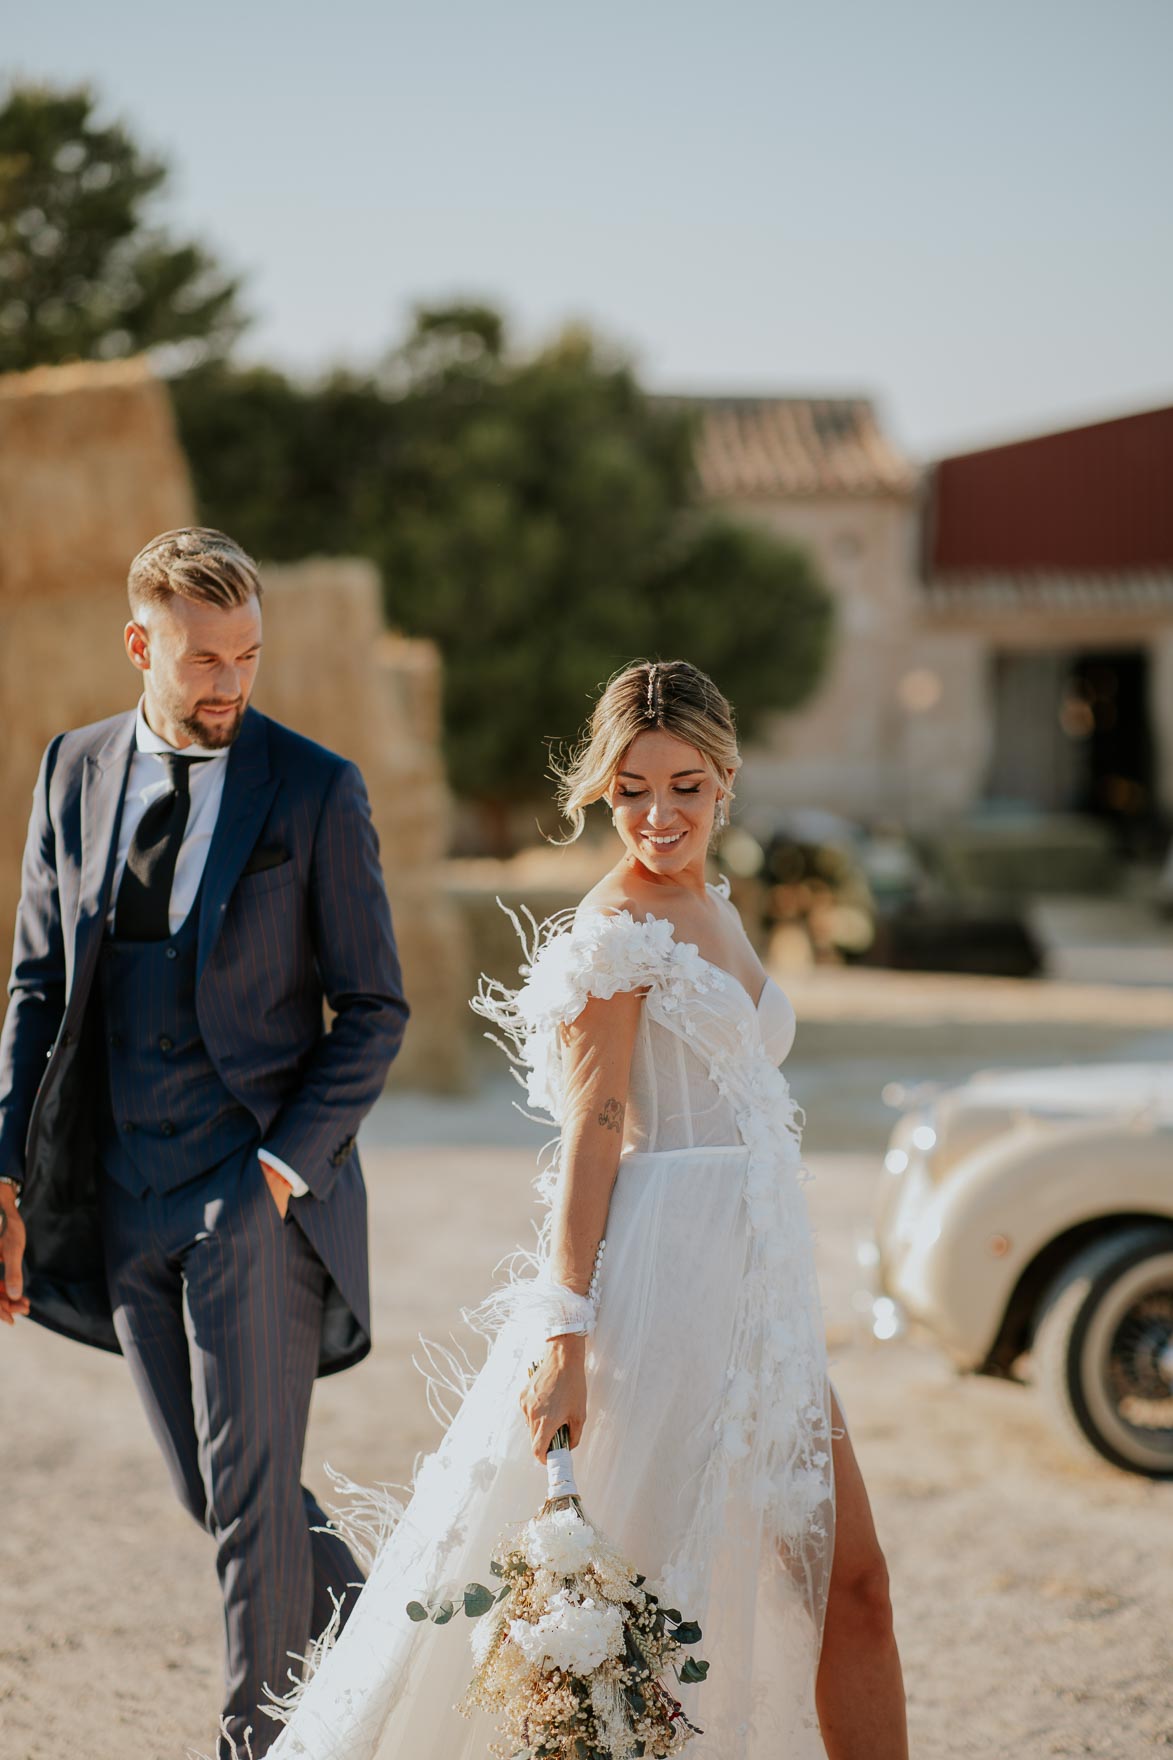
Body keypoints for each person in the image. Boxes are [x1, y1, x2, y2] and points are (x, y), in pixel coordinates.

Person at [267, 659, 907, 1760]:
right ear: (602, 789)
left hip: (761, 1291)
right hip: (657, 1289)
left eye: (687, 786)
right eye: (632, 787)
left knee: (853, 1584)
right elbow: (595, 1127)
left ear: (726, 781)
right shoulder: (614, 930)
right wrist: (564, 1327)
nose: (659, 814)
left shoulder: (713, 900)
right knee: (642, 1624)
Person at [0, 527, 409, 1758]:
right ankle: (414, 1639)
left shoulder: (315, 785)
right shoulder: (70, 769)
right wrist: (6, 1168)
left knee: (246, 1510)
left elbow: (376, 1007)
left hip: (252, 1191)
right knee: (217, 1494)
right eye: (200, 657)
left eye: (247, 655)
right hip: (121, 1186)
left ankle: (256, 1743)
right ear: (141, 644)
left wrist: (282, 1170)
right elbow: (32, 985)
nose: (227, 681)